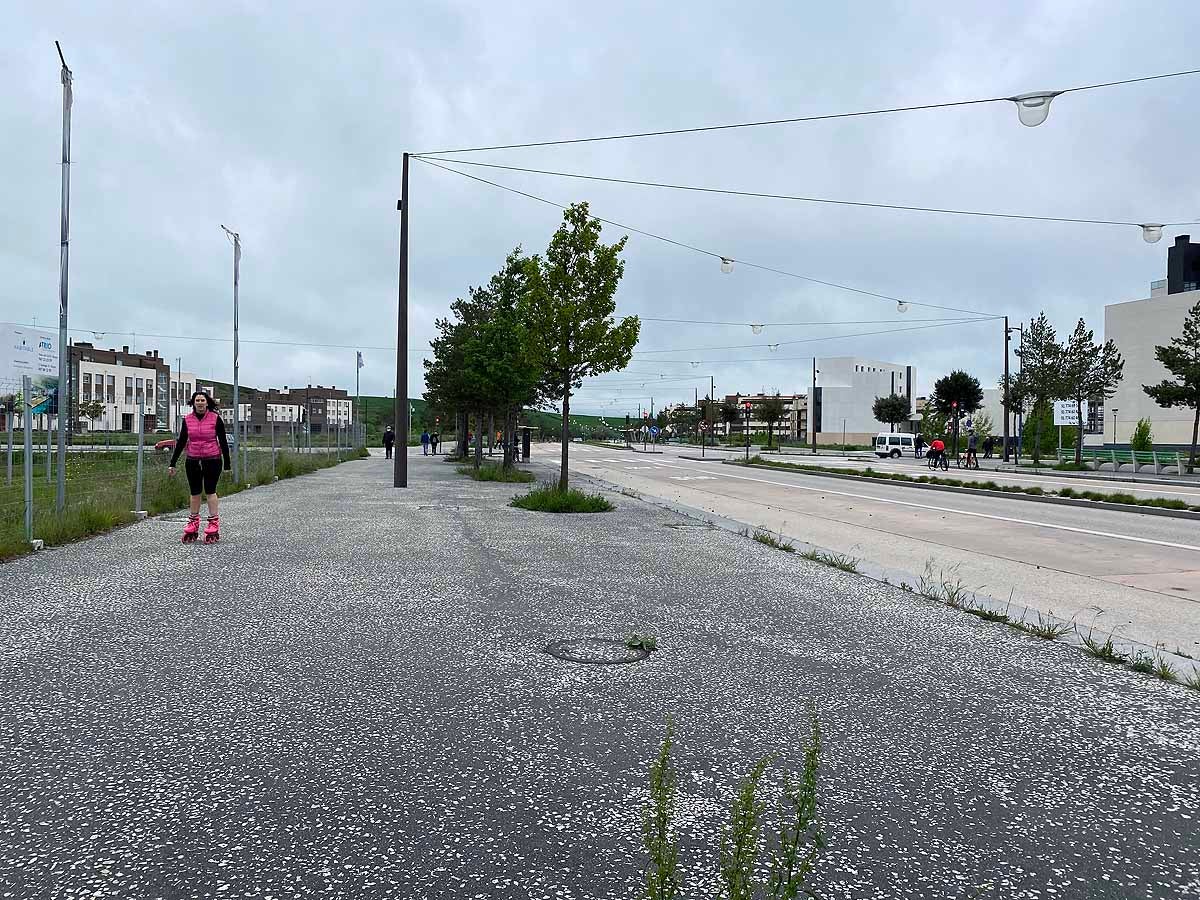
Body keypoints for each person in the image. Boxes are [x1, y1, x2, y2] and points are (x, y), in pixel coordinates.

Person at [168, 390, 231, 544]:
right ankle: (193, 521)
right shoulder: (188, 420)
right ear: (193, 403)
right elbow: (182, 441)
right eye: (197, 401)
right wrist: (173, 462)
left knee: (210, 491)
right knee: (195, 492)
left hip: (213, 459)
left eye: (203, 400)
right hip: (193, 460)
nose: (200, 403)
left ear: (207, 402)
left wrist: (227, 464)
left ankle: (213, 522)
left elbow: (223, 441)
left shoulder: (216, 419)